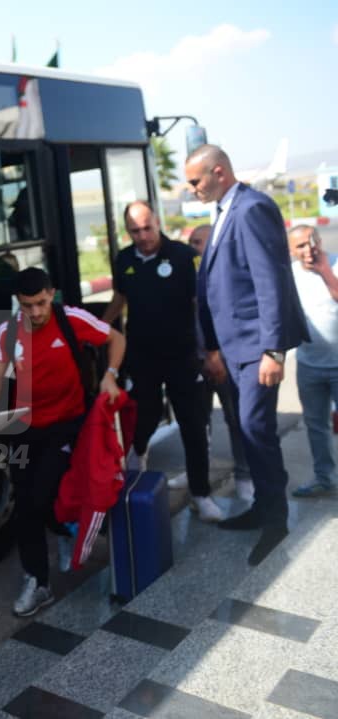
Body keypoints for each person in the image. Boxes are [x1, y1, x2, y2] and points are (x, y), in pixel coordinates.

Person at [0, 267, 125, 616]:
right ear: (18, 302)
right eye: (28, 305)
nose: (36, 312)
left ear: (52, 294)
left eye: (41, 303)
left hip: (68, 425)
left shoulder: (71, 319)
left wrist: (111, 376)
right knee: (25, 505)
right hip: (26, 428)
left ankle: (64, 527)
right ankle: (38, 582)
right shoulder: (8, 332)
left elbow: (117, 339)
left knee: (44, 497)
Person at [187, 144, 309, 566]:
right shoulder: (223, 211)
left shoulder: (252, 207)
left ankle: (276, 521)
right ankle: (262, 505)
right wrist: (213, 346)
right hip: (233, 347)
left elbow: (270, 280)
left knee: (256, 429)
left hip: (256, 347)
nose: (191, 189)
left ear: (218, 172)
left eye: (195, 180)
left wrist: (274, 351)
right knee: (247, 428)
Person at [102, 202, 221, 521]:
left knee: (193, 425)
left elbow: (201, 305)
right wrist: (99, 329)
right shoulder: (124, 259)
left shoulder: (183, 256)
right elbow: (120, 299)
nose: (142, 236)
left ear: (157, 222)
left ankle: (201, 494)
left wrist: (211, 350)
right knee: (144, 417)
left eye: (147, 228)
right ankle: (137, 464)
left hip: (182, 356)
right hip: (142, 356)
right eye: (135, 231)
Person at [188, 225, 253, 499]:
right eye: (191, 242)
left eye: (198, 242)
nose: (193, 248)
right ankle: (198, 472)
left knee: (236, 420)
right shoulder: (188, 276)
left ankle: (244, 476)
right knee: (197, 423)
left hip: (226, 361)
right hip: (196, 361)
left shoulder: (227, 276)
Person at [287, 225, 338, 497]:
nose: (308, 250)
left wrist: (325, 271)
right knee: (317, 426)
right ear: (291, 250)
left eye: (311, 242)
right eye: (300, 246)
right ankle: (323, 477)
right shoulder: (289, 274)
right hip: (309, 365)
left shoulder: (335, 263)